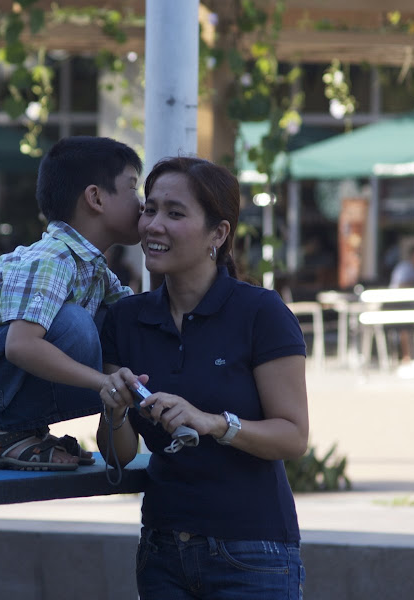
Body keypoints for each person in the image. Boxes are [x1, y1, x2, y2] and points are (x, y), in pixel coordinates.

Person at [96, 157, 308, 599]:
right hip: (161, 551)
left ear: (218, 234)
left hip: (253, 553)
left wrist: (214, 423)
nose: (154, 225)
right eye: (150, 209)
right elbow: (120, 453)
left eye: (175, 213)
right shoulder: (125, 319)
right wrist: (113, 411)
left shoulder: (261, 312)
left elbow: (293, 437)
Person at [0, 136, 143, 471]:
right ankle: (6, 432)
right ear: (96, 198)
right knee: (75, 324)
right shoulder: (53, 258)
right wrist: (102, 383)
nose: (142, 205)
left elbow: (137, 316)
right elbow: (20, 346)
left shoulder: (93, 268)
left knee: (117, 322)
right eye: (133, 188)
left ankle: (22, 429)